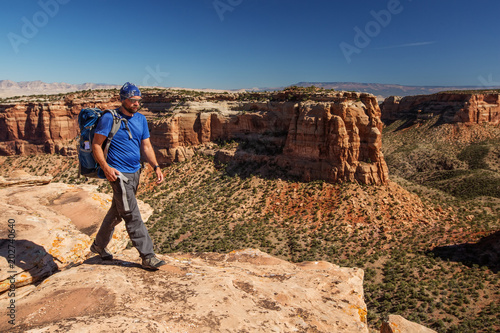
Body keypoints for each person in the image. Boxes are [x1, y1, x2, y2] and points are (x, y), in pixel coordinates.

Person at [90, 82, 166, 270]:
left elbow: (146, 146)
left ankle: (98, 246)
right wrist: (106, 168)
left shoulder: (140, 119)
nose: (136, 104)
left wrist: (155, 166)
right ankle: (148, 256)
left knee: (117, 212)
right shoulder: (110, 118)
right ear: (123, 99)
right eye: (132, 100)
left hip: (135, 172)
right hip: (118, 175)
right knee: (132, 214)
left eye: (138, 100)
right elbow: (96, 145)